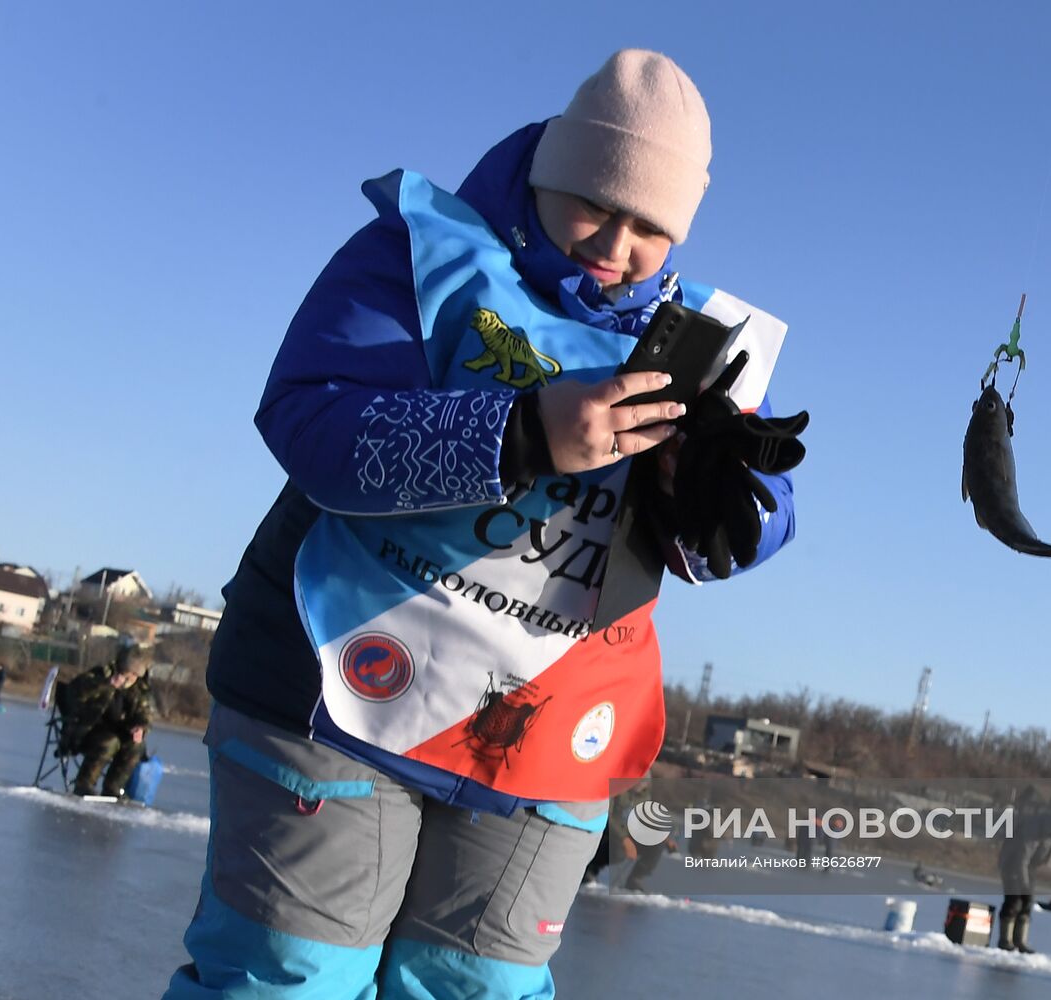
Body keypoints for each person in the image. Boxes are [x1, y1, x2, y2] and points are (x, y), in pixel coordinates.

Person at [166, 49, 804, 999]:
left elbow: (754, 517)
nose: (616, 244)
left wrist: (719, 501)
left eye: (649, 228)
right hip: (335, 681)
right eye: (595, 204)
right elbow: (309, 415)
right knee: (288, 978)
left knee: (476, 988)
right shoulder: (427, 255)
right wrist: (522, 434)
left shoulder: (705, 346)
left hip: (547, 731)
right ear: (549, 173)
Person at [58, 642, 155, 798]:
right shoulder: (99, 675)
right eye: (129, 674)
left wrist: (140, 727)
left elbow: (146, 714)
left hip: (121, 732)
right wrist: (106, 685)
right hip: (87, 731)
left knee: (136, 746)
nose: (131, 679)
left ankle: (113, 788)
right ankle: (84, 783)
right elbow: (77, 693)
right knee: (109, 742)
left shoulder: (139, 689)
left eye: (135, 675)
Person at [997, 786, 1051, 954]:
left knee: (1027, 902)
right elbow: (1021, 858)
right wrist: (1023, 884)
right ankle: (1004, 940)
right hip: (1012, 864)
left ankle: (1020, 941)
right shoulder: (1032, 830)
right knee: (1014, 900)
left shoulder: (1049, 833)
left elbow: (1042, 853)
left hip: (1028, 867)